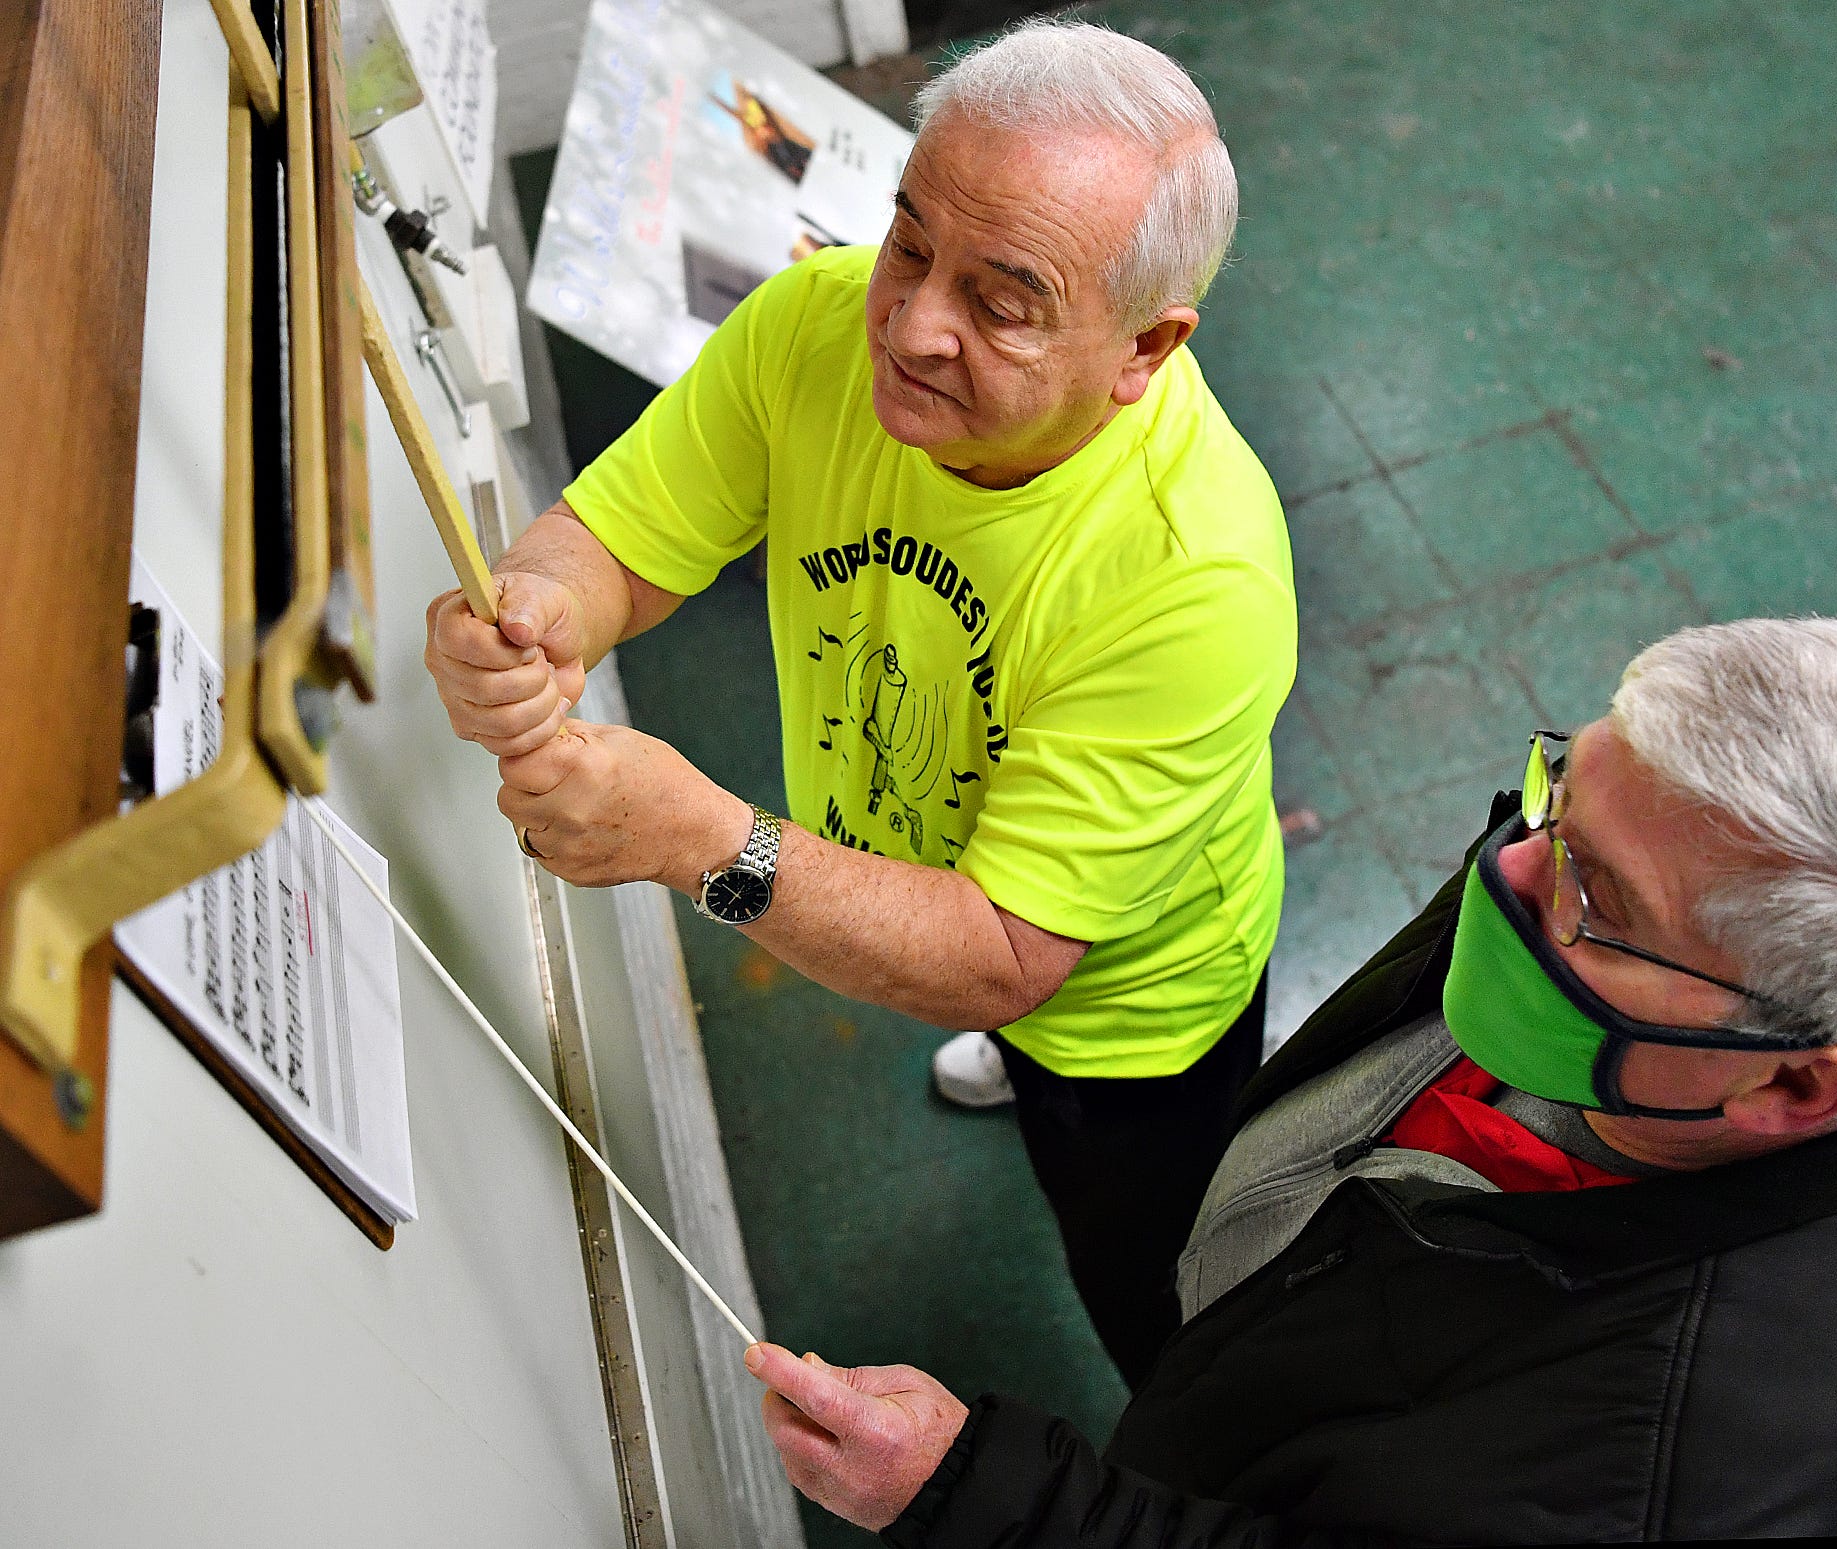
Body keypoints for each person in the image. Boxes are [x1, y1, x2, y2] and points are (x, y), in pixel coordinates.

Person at [422, 20, 1295, 1387]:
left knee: (1148, 1280)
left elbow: (1005, 954)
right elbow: (627, 537)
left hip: (1129, 1001)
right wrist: (535, 608)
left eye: (1001, 301)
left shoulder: (1198, 578)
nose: (910, 322)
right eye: (910, 242)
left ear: (1145, 346)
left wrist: (701, 840)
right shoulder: (819, 321)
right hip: (944, 873)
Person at [746, 617, 1837, 1542]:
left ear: (1790, 1089)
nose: (1505, 873)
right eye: (1560, 790)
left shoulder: (1655, 1485)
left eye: (1592, 896)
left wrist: (986, 1497)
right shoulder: (1729, 1001)